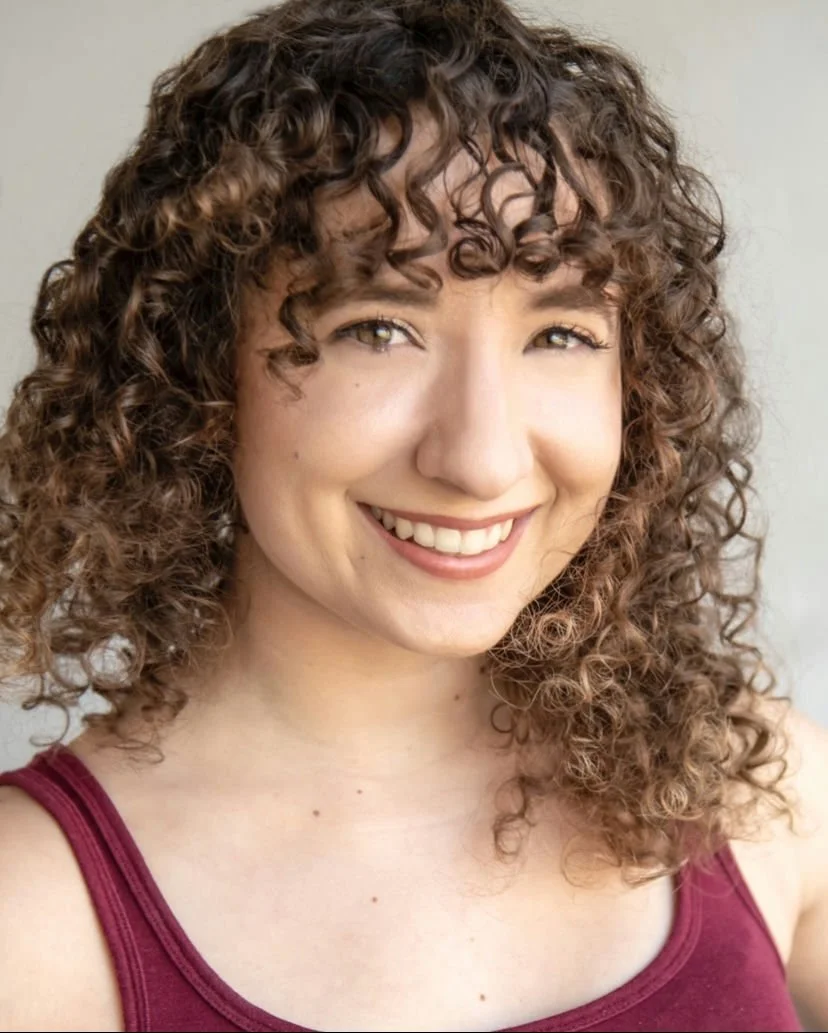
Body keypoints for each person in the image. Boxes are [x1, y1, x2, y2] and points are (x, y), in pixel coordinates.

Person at [0, 0, 826, 1030]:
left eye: (560, 333)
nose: (480, 458)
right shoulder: (29, 918)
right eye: (378, 326)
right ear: (196, 373)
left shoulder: (759, 786)